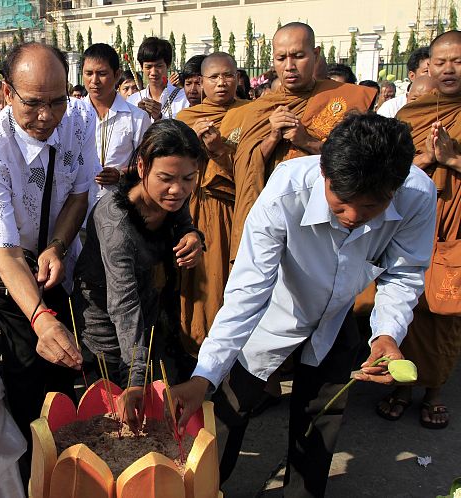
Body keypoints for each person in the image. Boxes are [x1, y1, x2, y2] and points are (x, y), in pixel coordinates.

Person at [170, 112, 436, 496]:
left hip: (338, 314)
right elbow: (248, 290)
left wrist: (386, 335)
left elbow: (404, 272)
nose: (353, 218)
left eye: (371, 208)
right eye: (341, 203)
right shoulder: (285, 192)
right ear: (324, 171)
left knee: (321, 415)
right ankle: (205, 488)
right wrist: (203, 376)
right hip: (274, 307)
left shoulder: (417, 196)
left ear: (394, 190)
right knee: (228, 408)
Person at [0, 42, 97, 450]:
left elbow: (78, 193)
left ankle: (72, 461)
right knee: (26, 373)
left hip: (57, 263)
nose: (46, 117)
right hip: (11, 275)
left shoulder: (78, 119)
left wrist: (58, 245)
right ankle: (33, 468)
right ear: (7, 93)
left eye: (56, 101)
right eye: (33, 104)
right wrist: (40, 318)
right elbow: (4, 252)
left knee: (64, 371)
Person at [74, 119, 205, 432]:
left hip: (150, 311)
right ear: (142, 167)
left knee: (154, 416)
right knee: (111, 420)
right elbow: (123, 303)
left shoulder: (171, 198)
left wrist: (192, 234)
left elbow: (183, 219)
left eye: (188, 178)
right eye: (166, 178)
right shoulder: (116, 224)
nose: (178, 190)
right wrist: (134, 378)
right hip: (105, 321)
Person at [227, 22, 376, 263]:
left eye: (298, 56)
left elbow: (360, 160)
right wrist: (273, 136)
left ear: (315, 55)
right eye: (281, 58)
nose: (289, 66)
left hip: (327, 215)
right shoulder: (261, 109)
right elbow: (245, 164)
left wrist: (307, 141)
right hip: (276, 213)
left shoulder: (348, 97)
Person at [379, 30, 461, 430]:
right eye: (440, 62)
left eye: (457, 61)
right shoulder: (413, 115)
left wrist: (454, 160)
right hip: (415, 222)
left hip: (457, 227)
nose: (448, 69)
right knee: (406, 303)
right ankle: (401, 387)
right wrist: (424, 160)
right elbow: (392, 167)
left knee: (445, 316)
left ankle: (435, 391)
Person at [177, 52, 249, 351]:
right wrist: (190, 145)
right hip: (192, 209)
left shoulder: (253, 114)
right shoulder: (185, 120)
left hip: (235, 209)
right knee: (194, 281)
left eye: (228, 76)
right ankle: (192, 346)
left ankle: (230, 350)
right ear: (201, 83)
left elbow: (257, 171)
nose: (222, 83)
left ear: (237, 78)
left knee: (231, 282)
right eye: (214, 77)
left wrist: (220, 151)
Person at [81, 43, 150, 206]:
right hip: (78, 210)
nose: (94, 81)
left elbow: (148, 163)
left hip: (119, 209)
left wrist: (121, 174)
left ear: (117, 74)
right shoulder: (72, 115)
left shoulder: (137, 117)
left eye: (102, 73)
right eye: (88, 73)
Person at [127, 37, 189, 120]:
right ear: (141, 67)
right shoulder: (133, 100)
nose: (153, 72)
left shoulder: (184, 98)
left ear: (168, 65)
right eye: (148, 67)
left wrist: (160, 117)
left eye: (159, 66)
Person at [378, 46, 430, 117]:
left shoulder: (444, 106)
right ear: (412, 76)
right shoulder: (391, 108)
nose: (432, 75)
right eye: (426, 71)